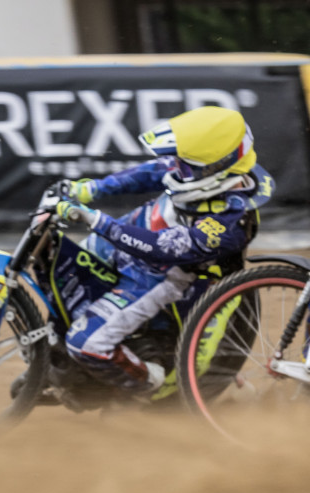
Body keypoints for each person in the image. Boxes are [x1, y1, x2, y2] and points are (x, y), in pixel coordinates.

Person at [54, 105, 272, 393]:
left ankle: (151, 383)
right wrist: (92, 189)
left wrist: (96, 220)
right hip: (125, 238)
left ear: (216, 169)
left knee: (85, 343)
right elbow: (155, 171)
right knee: (62, 268)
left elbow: (162, 249)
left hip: (156, 277)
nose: (176, 168)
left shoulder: (230, 220)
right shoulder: (205, 170)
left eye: (185, 164)